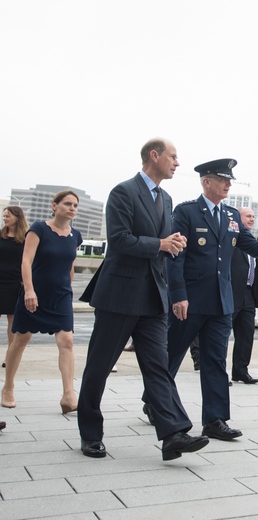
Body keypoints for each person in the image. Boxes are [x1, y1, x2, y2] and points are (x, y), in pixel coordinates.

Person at [160, 159, 258, 441]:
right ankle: (154, 401)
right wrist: (178, 294)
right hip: (190, 301)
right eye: (222, 179)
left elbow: (250, 245)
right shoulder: (187, 212)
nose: (228, 184)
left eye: (230, 180)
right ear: (206, 182)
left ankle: (214, 420)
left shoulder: (231, 216)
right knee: (172, 356)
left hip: (221, 302)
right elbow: (175, 255)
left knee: (215, 360)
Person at [77, 138, 206, 460]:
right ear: (154, 156)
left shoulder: (165, 197)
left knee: (158, 368)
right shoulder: (124, 192)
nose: (177, 163)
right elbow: (119, 241)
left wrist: (172, 245)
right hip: (120, 296)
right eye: (173, 156)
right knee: (99, 367)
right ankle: (90, 434)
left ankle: (174, 434)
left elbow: (160, 244)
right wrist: (160, 244)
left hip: (153, 299)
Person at [2, 191, 82, 413]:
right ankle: (8, 387)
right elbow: (26, 262)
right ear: (54, 206)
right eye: (67, 203)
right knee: (21, 339)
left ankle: (68, 395)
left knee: (66, 341)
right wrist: (29, 290)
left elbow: (70, 265)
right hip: (35, 293)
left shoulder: (76, 235)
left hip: (61, 296)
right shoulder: (38, 229)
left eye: (75, 205)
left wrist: (69, 287)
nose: (72, 208)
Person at [230, 207, 258, 384]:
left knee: (246, 335)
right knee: (221, 336)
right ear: (238, 218)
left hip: (249, 294)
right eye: (248, 216)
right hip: (231, 293)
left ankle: (240, 371)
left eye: (253, 216)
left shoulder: (253, 242)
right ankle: (218, 371)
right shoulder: (231, 240)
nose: (251, 219)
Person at [1, 206, 28, 370]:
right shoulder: (0, 234)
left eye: (7, 216)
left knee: (12, 322)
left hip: (15, 283)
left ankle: (9, 357)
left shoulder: (26, 238)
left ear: (17, 218)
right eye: (4, 216)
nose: (4, 218)